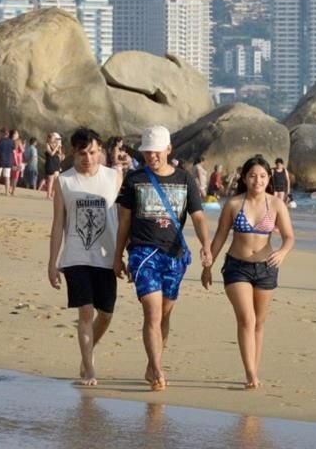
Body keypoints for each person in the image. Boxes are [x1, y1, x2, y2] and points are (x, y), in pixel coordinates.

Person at [113, 125, 211, 392]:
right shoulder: (134, 179)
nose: (151, 157)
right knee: (152, 313)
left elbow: (198, 216)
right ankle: (157, 369)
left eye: (156, 152)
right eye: (147, 152)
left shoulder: (184, 179)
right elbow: (124, 221)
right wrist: (117, 255)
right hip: (143, 252)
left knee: (165, 314)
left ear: (168, 149)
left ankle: (153, 362)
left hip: (174, 254)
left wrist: (206, 246)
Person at [200, 154, 295, 389]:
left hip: (266, 268)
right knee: (247, 318)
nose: (258, 180)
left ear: (269, 178)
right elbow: (221, 235)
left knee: (259, 322)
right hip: (237, 268)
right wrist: (208, 265)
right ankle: (250, 373)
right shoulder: (234, 204)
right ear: (244, 177)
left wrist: (282, 252)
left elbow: (289, 236)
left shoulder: (276, 204)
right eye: (252, 176)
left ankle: (254, 368)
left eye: (262, 176)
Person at [48, 127, 122, 386]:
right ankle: (89, 370)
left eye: (92, 152)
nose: (88, 158)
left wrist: (124, 255)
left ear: (100, 151)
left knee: (107, 313)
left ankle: (87, 353)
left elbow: (124, 219)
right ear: (73, 153)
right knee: (87, 312)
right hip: (76, 256)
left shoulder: (114, 177)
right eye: (82, 153)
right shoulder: (64, 181)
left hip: (107, 256)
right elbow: (58, 224)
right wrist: (52, 263)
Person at [0, 129, 16, 196]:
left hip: (0, 161)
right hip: (8, 161)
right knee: (7, 177)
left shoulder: (0, 142)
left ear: (2, 134)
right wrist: (14, 162)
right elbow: (14, 152)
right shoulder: (12, 142)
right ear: (8, 134)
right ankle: (7, 192)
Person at [44, 132, 63, 199]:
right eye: (53, 137)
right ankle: (48, 195)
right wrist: (56, 147)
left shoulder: (56, 145)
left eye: (55, 138)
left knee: (56, 180)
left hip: (56, 163)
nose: (55, 139)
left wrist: (59, 148)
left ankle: (53, 194)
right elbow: (51, 154)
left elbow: (60, 156)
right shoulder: (47, 145)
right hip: (50, 163)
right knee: (50, 180)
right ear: (49, 138)